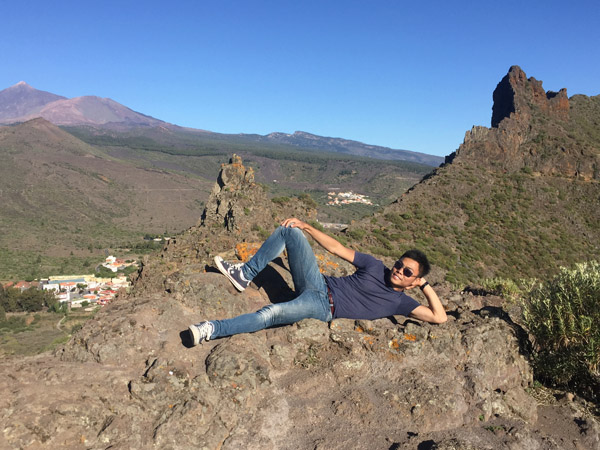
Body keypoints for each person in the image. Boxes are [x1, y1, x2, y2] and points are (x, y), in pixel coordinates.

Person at [188, 218, 447, 345]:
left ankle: (210, 329)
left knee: (271, 313)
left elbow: (439, 318)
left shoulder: (401, 302)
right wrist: (307, 227)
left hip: (323, 307)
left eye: (408, 273)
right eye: (400, 264)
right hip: (318, 282)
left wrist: (425, 286)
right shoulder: (375, 266)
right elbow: (337, 249)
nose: (400, 271)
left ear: (414, 281)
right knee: (290, 231)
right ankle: (244, 275)